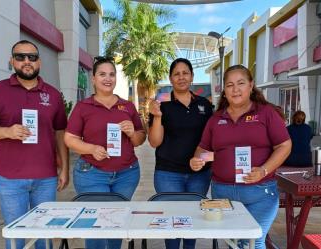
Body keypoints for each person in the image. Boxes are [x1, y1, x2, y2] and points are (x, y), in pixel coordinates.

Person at [0, 40, 68, 249]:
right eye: (20, 57)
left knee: (44, 233)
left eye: (32, 57)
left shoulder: (52, 94)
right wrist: (7, 131)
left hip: (46, 178)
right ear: (12, 61)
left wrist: (65, 168)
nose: (27, 61)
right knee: (15, 234)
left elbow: (60, 132)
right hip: (10, 180)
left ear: (39, 62)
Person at [190, 65, 291, 249]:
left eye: (241, 83)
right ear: (224, 91)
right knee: (234, 243)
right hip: (223, 193)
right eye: (230, 85)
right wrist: (198, 160)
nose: (235, 89)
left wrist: (263, 170)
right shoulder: (216, 119)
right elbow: (203, 148)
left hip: (259, 193)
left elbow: (284, 145)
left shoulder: (266, 113)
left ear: (251, 85)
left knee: (253, 241)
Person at [64, 56, 146, 249]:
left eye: (111, 74)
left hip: (127, 174)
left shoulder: (127, 106)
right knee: (96, 225)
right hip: (92, 174)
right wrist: (91, 149)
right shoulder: (83, 107)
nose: (107, 78)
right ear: (93, 78)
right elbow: (69, 139)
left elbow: (140, 139)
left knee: (116, 223)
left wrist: (132, 132)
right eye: (102, 74)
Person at [148, 58, 213, 249]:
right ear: (170, 78)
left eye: (185, 73)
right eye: (176, 74)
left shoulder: (204, 105)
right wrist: (158, 117)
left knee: (193, 216)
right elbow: (154, 142)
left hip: (199, 174)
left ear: (192, 76)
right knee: (172, 218)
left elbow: (210, 138)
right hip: (168, 173)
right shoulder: (161, 105)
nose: (181, 77)